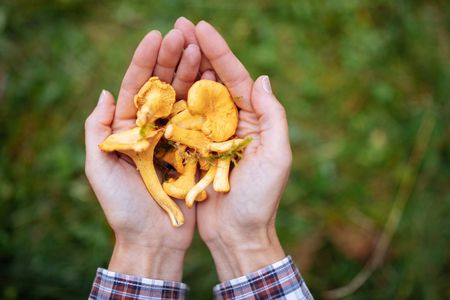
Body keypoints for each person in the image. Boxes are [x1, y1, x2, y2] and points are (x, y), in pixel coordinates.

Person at [85, 17, 313, 300]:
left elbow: (203, 135)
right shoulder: (172, 124)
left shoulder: (198, 126)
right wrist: (142, 242)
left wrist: (245, 235)